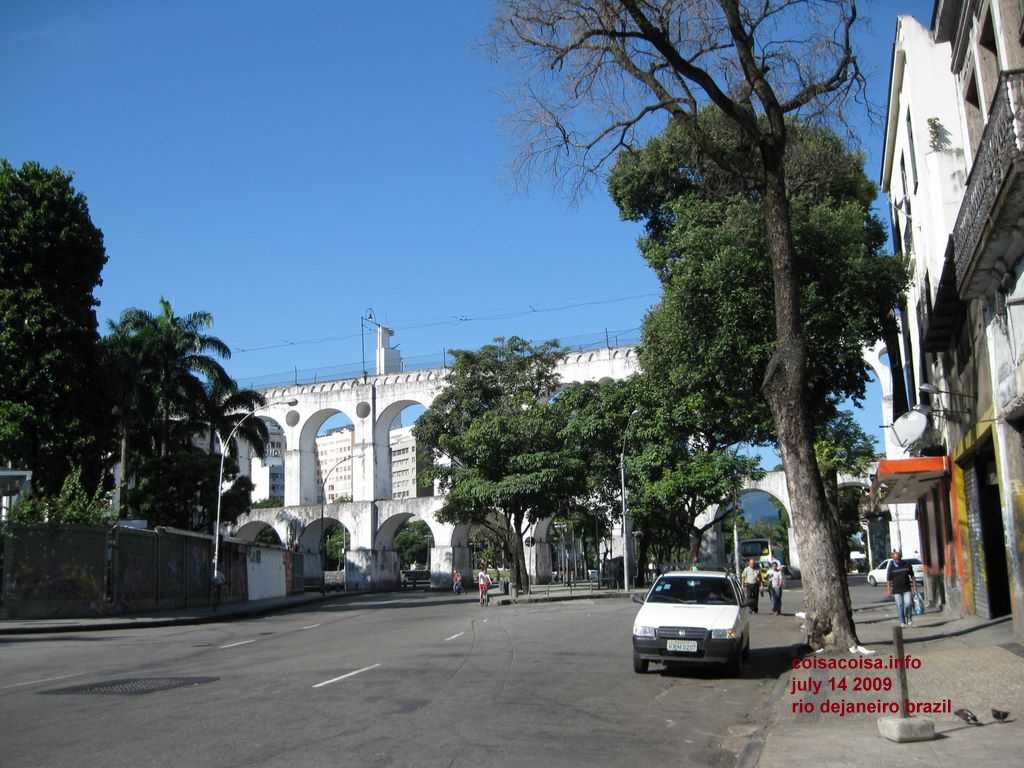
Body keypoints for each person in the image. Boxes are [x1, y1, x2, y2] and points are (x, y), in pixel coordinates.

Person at [886, 549, 917, 627]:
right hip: (896, 590)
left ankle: (909, 618)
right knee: (900, 606)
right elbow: (888, 580)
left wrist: (914, 587)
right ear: (893, 559)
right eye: (895, 559)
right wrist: (889, 590)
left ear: (901, 558)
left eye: (898, 559)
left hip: (907, 588)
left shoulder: (907, 564)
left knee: (908, 604)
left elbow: (913, 577)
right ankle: (902, 622)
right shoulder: (891, 566)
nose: (897, 560)